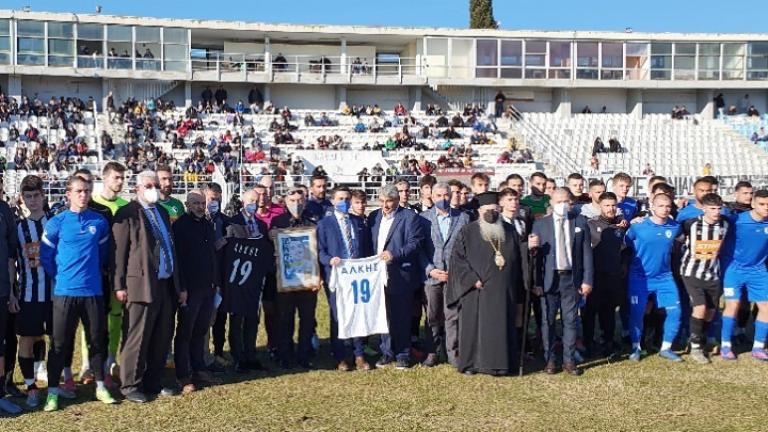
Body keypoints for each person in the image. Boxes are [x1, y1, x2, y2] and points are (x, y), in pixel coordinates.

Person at [39, 175, 117, 411]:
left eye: (86, 191)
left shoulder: (99, 222)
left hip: (93, 292)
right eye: (79, 191)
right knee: (59, 344)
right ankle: (53, 392)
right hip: (64, 292)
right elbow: (46, 257)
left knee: (97, 340)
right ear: (69, 194)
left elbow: (103, 254)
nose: (83, 195)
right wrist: (62, 277)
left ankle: (100, 386)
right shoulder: (56, 222)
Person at [112, 170, 185, 403]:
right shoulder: (127, 213)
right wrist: (119, 284)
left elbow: (170, 248)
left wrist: (179, 284)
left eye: (156, 185)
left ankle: (154, 381)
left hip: (165, 283)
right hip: (140, 284)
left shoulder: (162, 212)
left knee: (162, 336)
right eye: (148, 186)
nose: (154, 189)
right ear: (137, 189)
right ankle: (130, 384)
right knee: (138, 336)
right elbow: (119, 253)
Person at [446, 192, 523, 375]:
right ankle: (473, 364)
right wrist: (472, 279)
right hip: (476, 290)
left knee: (501, 327)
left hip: (503, 291)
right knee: (474, 328)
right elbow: (457, 260)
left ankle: (501, 365)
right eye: (488, 210)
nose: (492, 213)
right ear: (480, 211)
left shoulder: (509, 231)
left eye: (495, 210)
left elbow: (518, 258)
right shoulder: (467, 232)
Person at [532, 188, 594, 376]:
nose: (562, 205)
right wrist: (536, 282)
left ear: (571, 203)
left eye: (566, 201)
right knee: (548, 321)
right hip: (549, 279)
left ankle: (569, 360)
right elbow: (536, 258)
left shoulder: (580, 222)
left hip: (571, 279)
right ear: (551, 203)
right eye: (558, 201)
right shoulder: (540, 224)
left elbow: (586, 254)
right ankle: (550, 360)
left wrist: (587, 279)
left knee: (570, 320)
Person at [368, 184, 425, 369]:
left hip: (400, 274)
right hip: (378, 275)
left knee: (401, 316)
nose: (385, 205)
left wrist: (395, 254)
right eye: (382, 201)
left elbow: (415, 243)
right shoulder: (374, 216)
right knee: (383, 315)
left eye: (389, 201)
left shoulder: (409, 217)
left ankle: (403, 354)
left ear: (398, 200)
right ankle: (387, 352)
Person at [9, 176, 53, 409]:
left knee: (53, 337)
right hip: (28, 293)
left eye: (36, 195)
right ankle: (31, 387)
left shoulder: (54, 223)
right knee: (27, 338)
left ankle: (54, 379)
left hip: (55, 293)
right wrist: (12, 293)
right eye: (28, 196)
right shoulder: (18, 228)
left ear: (43, 196)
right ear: (22, 199)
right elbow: (11, 262)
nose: (33, 200)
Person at [624, 193, 683, 363]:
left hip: (664, 278)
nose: (665, 209)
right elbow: (625, 244)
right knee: (637, 313)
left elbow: (682, 240)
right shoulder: (638, 226)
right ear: (652, 207)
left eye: (668, 206)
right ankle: (636, 347)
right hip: (639, 278)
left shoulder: (674, 227)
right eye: (661, 206)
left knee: (676, 311)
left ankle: (666, 348)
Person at [318, 187, 372, 371]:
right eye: (340, 198)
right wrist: (329, 260)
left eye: (347, 198)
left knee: (357, 313)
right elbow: (320, 251)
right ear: (332, 201)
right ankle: (340, 355)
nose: (344, 202)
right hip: (336, 276)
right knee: (338, 315)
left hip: (356, 276)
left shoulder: (358, 221)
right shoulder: (324, 224)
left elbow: (366, 249)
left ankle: (359, 354)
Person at [172, 190, 220, 393]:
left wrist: (216, 281)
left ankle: (199, 368)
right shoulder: (180, 226)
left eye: (202, 203)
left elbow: (212, 255)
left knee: (201, 330)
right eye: (196, 203)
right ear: (188, 205)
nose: (200, 207)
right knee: (185, 332)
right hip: (190, 289)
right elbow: (178, 261)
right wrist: (181, 288)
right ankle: (183, 374)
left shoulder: (207, 224)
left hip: (208, 287)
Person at [419, 182, 470, 367]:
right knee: (432, 317)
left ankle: (453, 353)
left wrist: (456, 271)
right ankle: (432, 352)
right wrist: (430, 269)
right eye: (439, 195)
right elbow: (419, 249)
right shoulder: (423, 219)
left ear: (451, 195)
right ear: (432, 197)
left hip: (453, 277)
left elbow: (467, 248)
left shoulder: (463, 218)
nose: (443, 199)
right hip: (431, 276)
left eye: (446, 195)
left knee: (453, 316)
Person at [677, 193, 729, 364]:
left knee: (710, 313)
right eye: (712, 209)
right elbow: (675, 236)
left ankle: (698, 337)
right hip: (691, 272)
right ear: (704, 208)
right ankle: (696, 347)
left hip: (712, 274)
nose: (716, 212)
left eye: (719, 208)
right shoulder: (691, 224)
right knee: (700, 308)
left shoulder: (725, 224)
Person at [271, 189, 318, 369]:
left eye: (299, 200)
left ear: (305, 201)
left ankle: (304, 354)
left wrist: (318, 277)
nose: (296, 204)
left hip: (308, 281)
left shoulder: (312, 223)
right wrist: (271, 237)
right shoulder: (278, 222)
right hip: (286, 280)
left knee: (307, 320)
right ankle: (285, 355)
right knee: (285, 319)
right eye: (292, 200)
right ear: (285, 201)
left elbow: (317, 251)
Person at [719, 189, 768, 361]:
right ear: (753, 204)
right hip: (735, 270)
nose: (766, 208)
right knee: (733, 305)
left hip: (758, 271)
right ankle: (725, 346)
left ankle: (758, 347)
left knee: (766, 307)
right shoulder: (736, 221)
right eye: (762, 204)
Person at [91, 162, 129, 378]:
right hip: (96, 273)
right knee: (93, 319)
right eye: (116, 177)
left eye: (122, 178)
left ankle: (111, 358)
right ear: (104, 178)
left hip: (118, 272)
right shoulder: (93, 205)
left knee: (116, 316)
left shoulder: (126, 206)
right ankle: (88, 362)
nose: (120, 181)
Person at [225, 189, 269, 372]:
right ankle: (238, 357)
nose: (254, 204)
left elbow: (265, 251)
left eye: (256, 201)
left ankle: (251, 355)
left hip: (254, 279)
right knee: (236, 320)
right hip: (237, 279)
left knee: (253, 318)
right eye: (251, 200)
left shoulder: (262, 225)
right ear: (243, 201)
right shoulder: (232, 222)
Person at [585, 192, 628, 359]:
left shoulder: (621, 226)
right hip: (595, 277)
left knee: (609, 311)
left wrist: (623, 266)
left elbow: (626, 250)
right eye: (607, 205)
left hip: (613, 277)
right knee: (590, 312)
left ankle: (608, 342)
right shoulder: (590, 224)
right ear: (600, 206)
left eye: (613, 205)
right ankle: (588, 343)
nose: (610, 209)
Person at [0, 178, 20, 413]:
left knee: (1, 343)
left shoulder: (4, 210)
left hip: (2, 289)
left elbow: (10, 255)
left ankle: (1, 393)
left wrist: (12, 291)